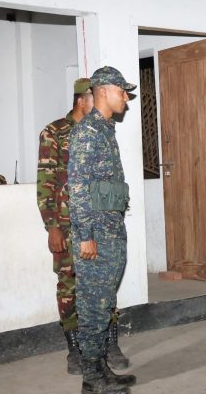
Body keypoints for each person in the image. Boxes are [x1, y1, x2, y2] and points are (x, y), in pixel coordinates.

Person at [69, 66, 138, 394]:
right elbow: (78, 188)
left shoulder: (105, 130)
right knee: (93, 308)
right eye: (122, 91)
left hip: (110, 231)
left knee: (104, 303)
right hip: (95, 236)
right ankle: (91, 379)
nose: (126, 97)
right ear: (104, 90)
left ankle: (101, 369)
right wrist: (85, 236)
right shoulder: (87, 132)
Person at [37, 78, 94, 374]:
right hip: (66, 222)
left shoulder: (98, 131)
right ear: (82, 100)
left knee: (102, 281)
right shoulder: (54, 132)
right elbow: (45, 183)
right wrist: (52, 226)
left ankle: (106, 343)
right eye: (96, 97)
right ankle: (74, 348)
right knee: (69, 283)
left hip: (96, 223)